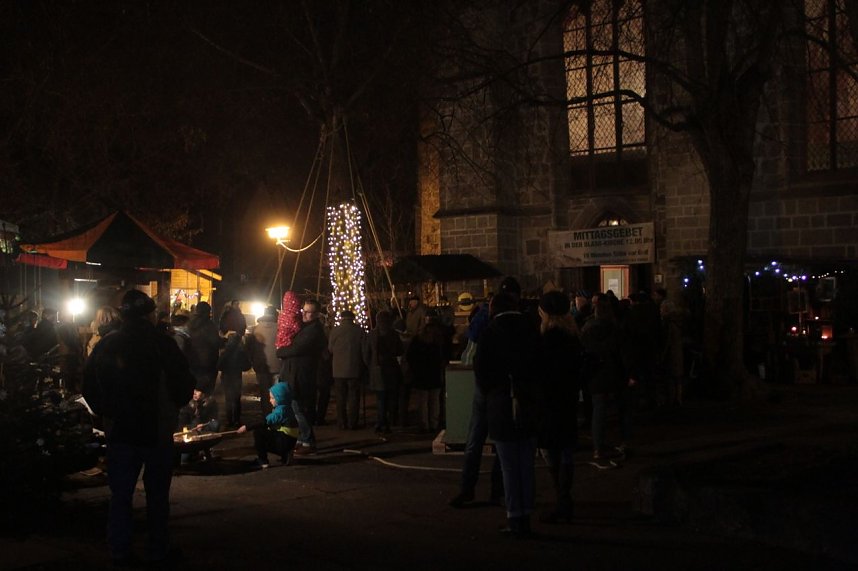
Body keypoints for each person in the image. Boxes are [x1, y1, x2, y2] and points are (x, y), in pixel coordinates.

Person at [82, 289, 195, 565]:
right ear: (149, 313)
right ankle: (158, 548)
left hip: (120, 429)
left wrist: (105, 412)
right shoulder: (163, 343)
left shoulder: (108, 344)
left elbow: (89, 385)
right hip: (156, 428)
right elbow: (183, 382)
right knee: (157, 495)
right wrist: (174, 407)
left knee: (120, 494)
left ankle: (119, 549)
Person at [474, 291, 540, 538]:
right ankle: (526, 512)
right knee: (526, 463)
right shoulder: (531, 330)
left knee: (509, 465)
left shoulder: (491, 333)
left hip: (501, 404)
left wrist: (494, 391)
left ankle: (515, 516)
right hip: (528, 403)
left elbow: (482, 373)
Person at [536, 290, 582, 523]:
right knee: (565, 451)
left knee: (550, 449)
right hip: (568, 400)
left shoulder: (546, 340)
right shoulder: (572, 337)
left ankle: (562, 498)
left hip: (550, 402)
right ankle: (565, 497)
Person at [276, 296, 326, 455]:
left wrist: (280, 352)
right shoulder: (304, 328)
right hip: (295, 373)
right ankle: (302, 438)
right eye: (303, 311)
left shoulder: (314, 331)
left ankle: (308, 441)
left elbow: (297, 349)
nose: (304, 314)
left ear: (317, 314)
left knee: (299, 409)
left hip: (302, 375)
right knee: (296, 408)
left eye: (309, 312)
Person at [237, 382, 299, 468]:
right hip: (289, 441)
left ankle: (263, 461)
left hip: (285, 443)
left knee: (259, 433)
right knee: (269, 430)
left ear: (280, 398)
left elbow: (264, 421)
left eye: (272, 398)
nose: (270, 400)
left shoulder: (281, 411)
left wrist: (247, 427)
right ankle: (286, 455)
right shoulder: (287, 408)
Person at [406, 309, 448, 433]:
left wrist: (413, 369)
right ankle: (434, 423)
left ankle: (424, 424)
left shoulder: (417, 341)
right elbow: (443, 357)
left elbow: (410, 356)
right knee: (434, 401)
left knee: (423, 401)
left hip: (421, 374)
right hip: (434, 374)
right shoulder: (438, 342)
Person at [364, 310, 403, 435]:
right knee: (389, 397)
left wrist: (370, 364)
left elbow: (366, 353)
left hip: (378, 369)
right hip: (390, 369)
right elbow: (400, 350)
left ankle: (382, 421)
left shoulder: (371, 335)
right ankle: (387, 420)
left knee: (381, 398)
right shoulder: (393, 334)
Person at [328, 310, 366, 430]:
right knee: (354, 397)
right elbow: (363, 349)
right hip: (354, 368)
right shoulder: (359, 330)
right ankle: (352, 422)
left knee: (340, 397)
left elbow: (330, 349)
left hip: (338, 369)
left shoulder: (335, 330)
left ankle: (341, 421)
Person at [247, 306, 279, 416]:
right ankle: (277, 415)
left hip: (261, 366)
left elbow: (249, 348)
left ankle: (267, 415)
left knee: (264, 393)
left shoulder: (256, 329)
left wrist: (253, 361)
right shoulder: (280, 328)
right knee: (276, 393)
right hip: (277, 365)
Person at [177, 386, 220, 463]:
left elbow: (214, 420)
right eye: (193, 390)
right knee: (185, 460)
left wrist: (203, 425)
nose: (194, 393)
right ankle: (195, 454)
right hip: (189, 433)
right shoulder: (187, 405)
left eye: (197, 391)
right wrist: (194, 427)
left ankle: (206, 450)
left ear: (203, 394)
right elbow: (181, 425)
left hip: (203, 431)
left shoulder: (210, 403)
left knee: (215, 424)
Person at [218, 331, 252, 428]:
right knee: (236, 399)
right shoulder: (241, 352)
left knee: (228, 399)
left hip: (226, 378)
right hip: (236, 377)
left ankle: (229, 421)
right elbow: (247, 366)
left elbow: (219, 366)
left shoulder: (225, 352)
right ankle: (236, 420)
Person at [187, 302, 221, 394]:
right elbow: (215, 342)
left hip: (192, 362)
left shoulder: (189, 324)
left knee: (193, 390)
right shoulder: (209, 325)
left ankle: (193, 406)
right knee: (206, 392)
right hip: (208, 363)